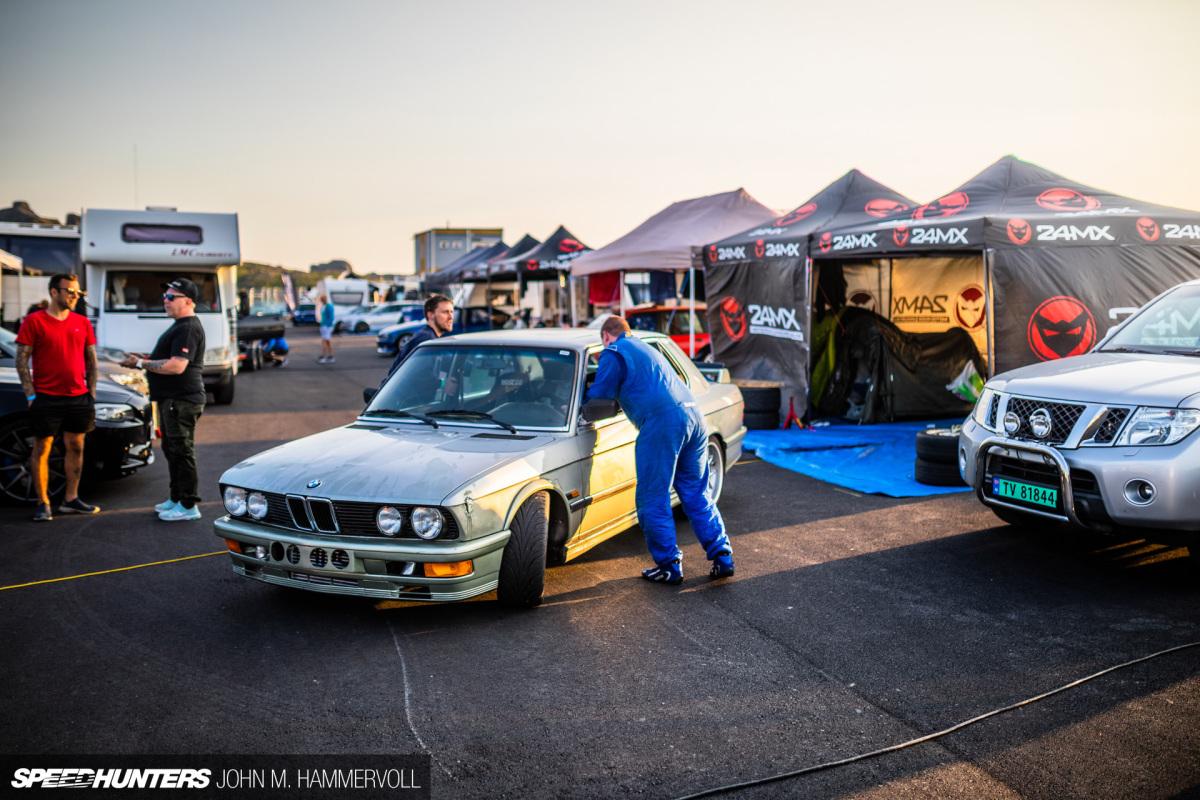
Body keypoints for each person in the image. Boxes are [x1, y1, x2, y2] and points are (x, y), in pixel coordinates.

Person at [585, 315, 734, 583]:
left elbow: (599, 397)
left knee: (652, 497)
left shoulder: (613, 352)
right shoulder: (646, 347)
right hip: (694, 417)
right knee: (696, 492)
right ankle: (722, 555)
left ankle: (668, 565)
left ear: (606, 336)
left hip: (662, 424)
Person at [15, 273, 101, 521]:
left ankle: (71, 499)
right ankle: (43, 504)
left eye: (78, 292)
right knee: (41, 449)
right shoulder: (34, 321)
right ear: (55, 292)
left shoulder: (82, 322)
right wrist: (31, 396)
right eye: (71, 292)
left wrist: (90, 394)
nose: (76, 296)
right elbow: (21, 360)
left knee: (76, 445)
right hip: (46, 398)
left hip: (78, 398)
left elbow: (91, 361)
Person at [120, 279, 207, 522]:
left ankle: (189, 505)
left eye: (171, 297)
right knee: (172, 450)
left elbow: (177, 366)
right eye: (165, 297)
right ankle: (177, 497)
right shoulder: (180, 326)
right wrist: (145, 358)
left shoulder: (187, 327)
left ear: (188, 301)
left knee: (182, 451)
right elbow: (168, 359)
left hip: (182, 400)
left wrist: (139, 363)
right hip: (172, 400)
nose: (165, 301)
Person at [386, 294, 454, 378]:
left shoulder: (428, 335)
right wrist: (443, 384)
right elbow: (419, 377)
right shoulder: (426, 339)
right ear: (430, 315)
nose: (451, 317)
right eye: (445, 312)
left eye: (451, 312)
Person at [317, 294, 335, 363]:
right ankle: (331, 355)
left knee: (324, 341)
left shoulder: (329, 306)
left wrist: (327, 325)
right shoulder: (323, 306)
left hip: (327, 326)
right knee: (327, 341)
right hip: (323, 325)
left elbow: (331, 317)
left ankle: (323, 355)